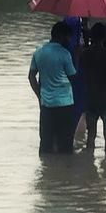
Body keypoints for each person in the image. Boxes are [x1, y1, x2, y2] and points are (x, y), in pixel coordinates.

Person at [29, 21, 78, 154]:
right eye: (68, 37)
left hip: (46, 104)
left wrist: (39, 95)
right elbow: (73, 78)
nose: (69, 40)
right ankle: (64, 166)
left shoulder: (38, 52)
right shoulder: (65, 54)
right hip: (65, 104)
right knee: (65, 145)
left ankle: (46, 166)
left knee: (46, 144)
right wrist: (77, 57)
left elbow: (31, 76)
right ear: (61, 36)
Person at [81, 23, 106, 153]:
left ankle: (89, 162)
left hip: (91, 99)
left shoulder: (85, 54)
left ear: (91, 37)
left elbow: (80, 75)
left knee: (91, 136)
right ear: (105, 37)